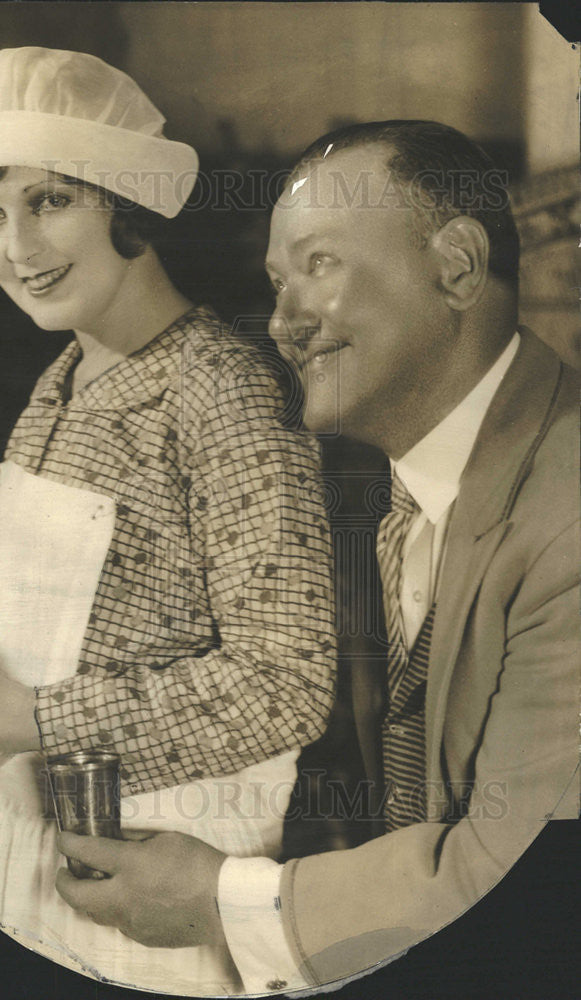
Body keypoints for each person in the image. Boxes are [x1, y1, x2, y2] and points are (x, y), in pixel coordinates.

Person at [54, 120, 580, 994]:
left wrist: (220, 898)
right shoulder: (415, 493)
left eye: (320, 264)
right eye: (275, 281)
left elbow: (518, 880)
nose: (282, 323)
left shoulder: (566, 520)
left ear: (455, 266)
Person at [0, 48, 336, 994]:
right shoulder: (66, 377)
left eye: (49, 203)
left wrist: (35, 711)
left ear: (126, 198)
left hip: (146, 891)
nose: (18, 251)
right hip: (16, 861)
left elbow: (286, 681)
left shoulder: (221, 390)